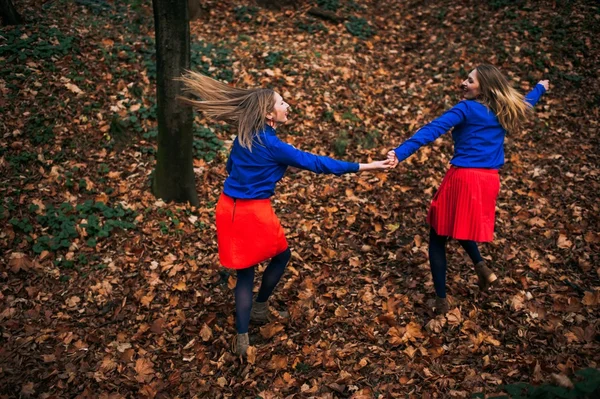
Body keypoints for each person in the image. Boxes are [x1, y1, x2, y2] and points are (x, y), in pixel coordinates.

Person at [179, 71, 395, 356]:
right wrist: (367, 166)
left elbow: (232, 169)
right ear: (270, 114)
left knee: (245, 274)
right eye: (282, 103)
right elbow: (318, 163)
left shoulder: (244, 137)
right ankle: (260, 307)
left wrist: (277, 167)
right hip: (253, 212)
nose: (288, 106)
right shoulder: (275, 145)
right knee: (282, 256)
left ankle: (243, 341)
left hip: (227, 207)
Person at [387, 65, 549, 314]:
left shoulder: (466, 109)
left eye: (470, 80)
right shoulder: (504, 109)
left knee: (438, 235)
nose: (463, 83)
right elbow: (527, 103)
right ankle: (482, 268)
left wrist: (399, 153)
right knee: (459, 224)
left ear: (484, 87)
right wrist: (541, 87)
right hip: (489, 181)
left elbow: (432, 129)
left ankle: (441, 303)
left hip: (463, 178)